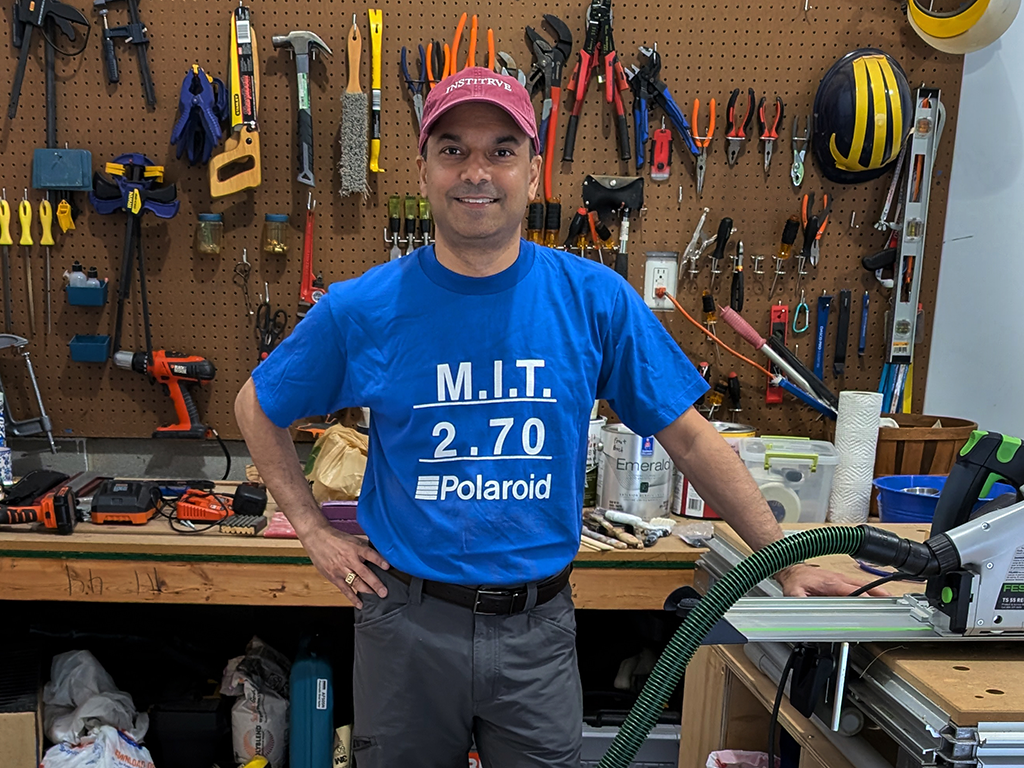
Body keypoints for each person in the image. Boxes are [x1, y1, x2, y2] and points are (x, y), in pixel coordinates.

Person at [235, 67, 883, 768]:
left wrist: (783, 561)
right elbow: (255, 404)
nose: (476, 172)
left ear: (534, 170)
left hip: (536, 633)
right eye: (452, 149)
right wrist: (308, 528)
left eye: (501, 150)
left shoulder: (594, 299)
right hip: (408, 628)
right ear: (422, 170)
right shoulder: (363, 309)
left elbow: (692, 439)